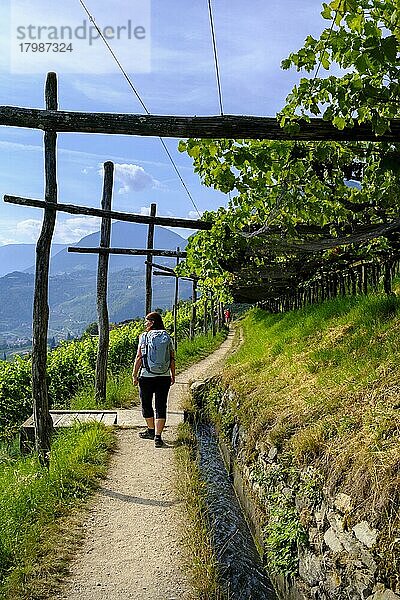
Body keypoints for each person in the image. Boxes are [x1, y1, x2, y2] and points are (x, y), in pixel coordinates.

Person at [132, 312, 175, 448]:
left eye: (146, 321)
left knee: (146, 404)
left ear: (152, 322)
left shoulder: (144, 337)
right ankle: (158, 437)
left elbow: (139, 357)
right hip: (164, 376)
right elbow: (172, 358)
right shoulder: (167, 337)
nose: (145, 324)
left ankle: (151, 430)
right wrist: (173, 374)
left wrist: (134, 374)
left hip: (146, 376)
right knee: (161, 406)